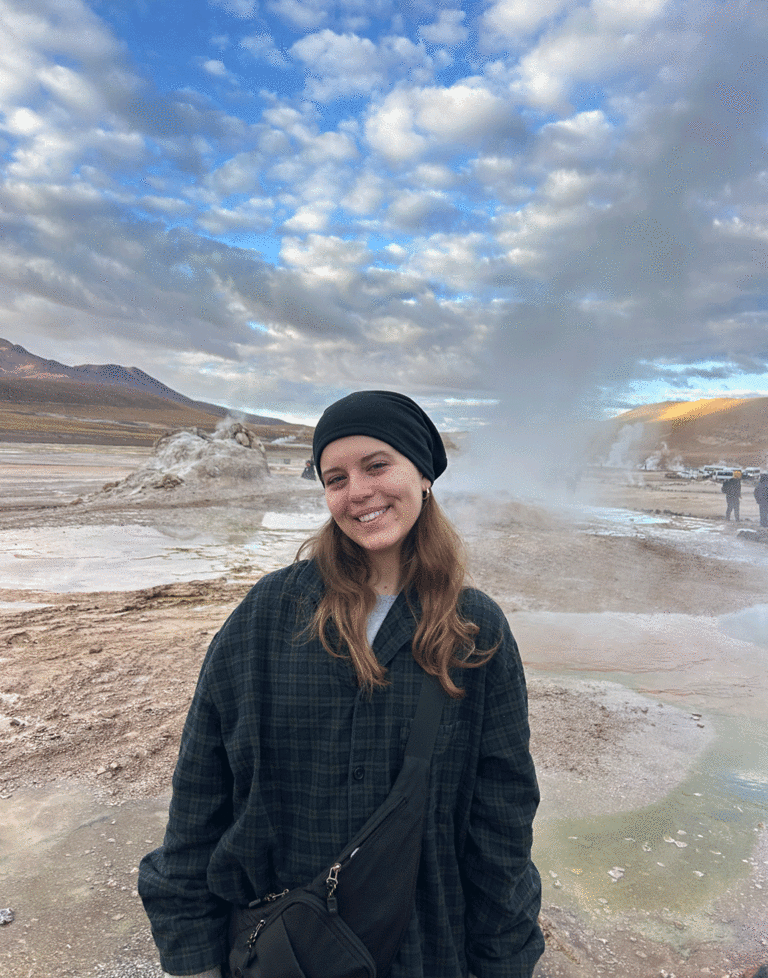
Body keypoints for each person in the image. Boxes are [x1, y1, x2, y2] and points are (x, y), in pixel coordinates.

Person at [138, 390, 544, 978]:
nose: (357, 492)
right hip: (284, 950)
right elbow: (203, 788)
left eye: (377, 465)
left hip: (425, 948)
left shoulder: (474, 630)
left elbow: (502, 821)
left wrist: (504, 959)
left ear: (423, 474)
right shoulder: (269, 614)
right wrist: (191, 955)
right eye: (335, 477)